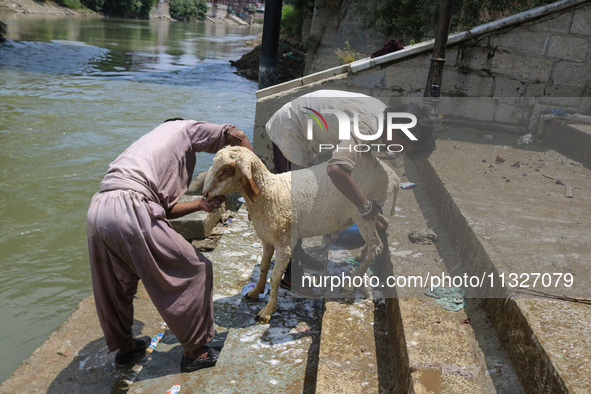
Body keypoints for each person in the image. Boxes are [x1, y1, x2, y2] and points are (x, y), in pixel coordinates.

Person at [86, 119, 252, 372]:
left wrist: (199, 205)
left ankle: (125, 348)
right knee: (195, 268)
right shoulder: (184, 128)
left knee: (117, 284)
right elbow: (235, 136)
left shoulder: (146, 146)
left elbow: (159, 209)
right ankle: (196, 351)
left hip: (99, 208)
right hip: (130, 207)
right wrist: (254, 181)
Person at [265, 90, 434, 292]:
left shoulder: (384, 117)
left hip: (308, 129)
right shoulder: (368, 126)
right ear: (398, 130)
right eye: (405, 146)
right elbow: (336, 170)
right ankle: (291, 276)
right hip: (292, 129)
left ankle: (298, 254)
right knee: (294, 204)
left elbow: (359, 161)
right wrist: (363, 205)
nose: (401, 151)